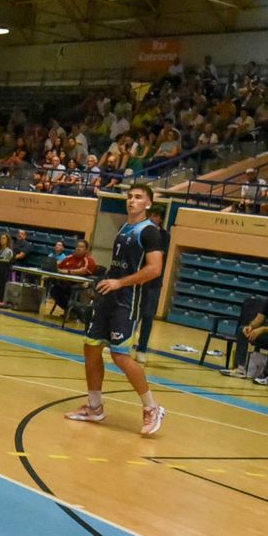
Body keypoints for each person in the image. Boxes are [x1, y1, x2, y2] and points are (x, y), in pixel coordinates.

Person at [64, 183, 168, 436]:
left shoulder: (150, 232)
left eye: (138, 197)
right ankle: (95, 406)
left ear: (148, 203)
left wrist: (119, 282)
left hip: (127, 299)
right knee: (90, 347)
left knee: (120, 357)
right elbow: (120, 264)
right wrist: (106, 279)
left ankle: (152, 407)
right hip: (109, 295)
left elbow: (154, 269)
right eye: (130, 196)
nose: (132, 200)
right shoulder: (124, 228)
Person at [132, 207, 167, 364]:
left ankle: (142, 349)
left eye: (155, 216)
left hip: (152, 282)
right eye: (150, 215)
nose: (152, 218)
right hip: (136, 279)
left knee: (147, 315)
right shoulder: (138, 231)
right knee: (131, 313)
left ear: (160, 219)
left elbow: (157, 258)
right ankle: (122, 343)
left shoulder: (164, 236)